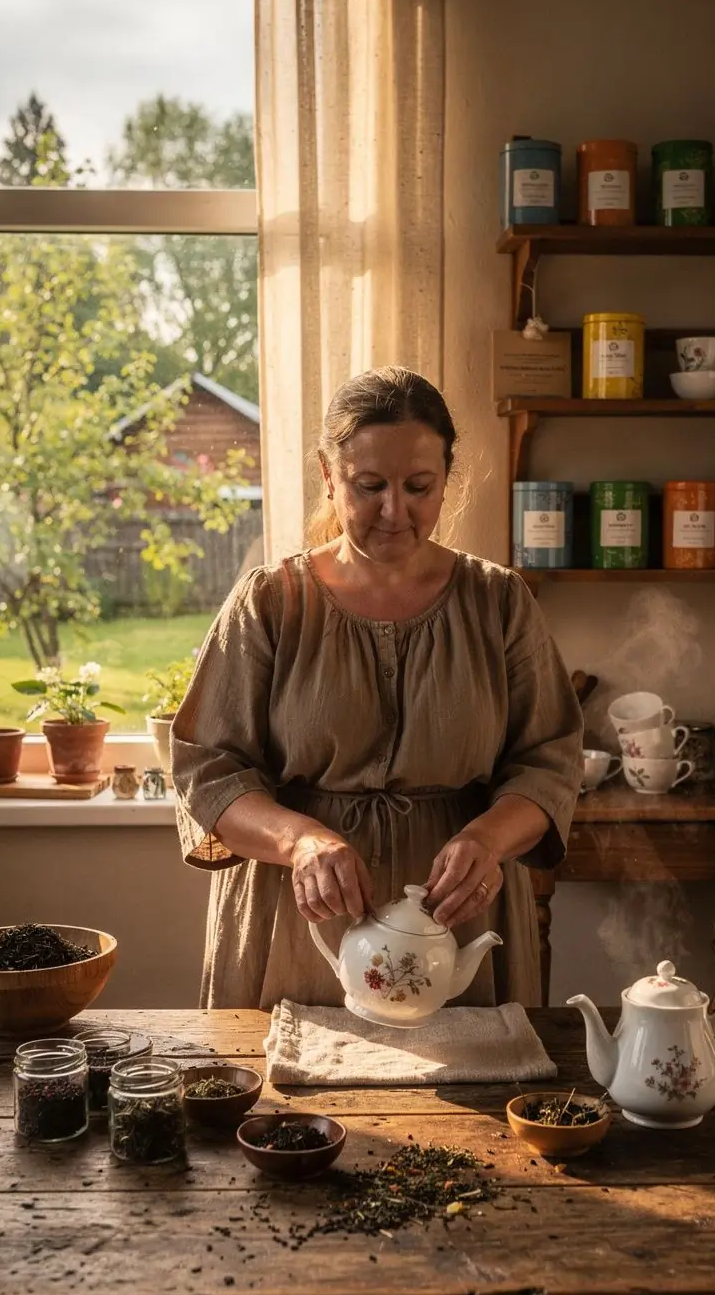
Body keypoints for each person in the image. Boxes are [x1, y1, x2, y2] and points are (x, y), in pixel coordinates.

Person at [172, 366, 583, 1011]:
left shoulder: (500, 602)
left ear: (448, 476)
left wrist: (489, 840)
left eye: (420, 486)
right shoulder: (271, 603)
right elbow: (208, 772)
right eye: (369, 487)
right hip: (300, 928)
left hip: (458, 926)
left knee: (471, 1112)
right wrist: (300, 840)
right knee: (294, 1109)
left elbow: (550, 764)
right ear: (328, 476)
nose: (396, 511)